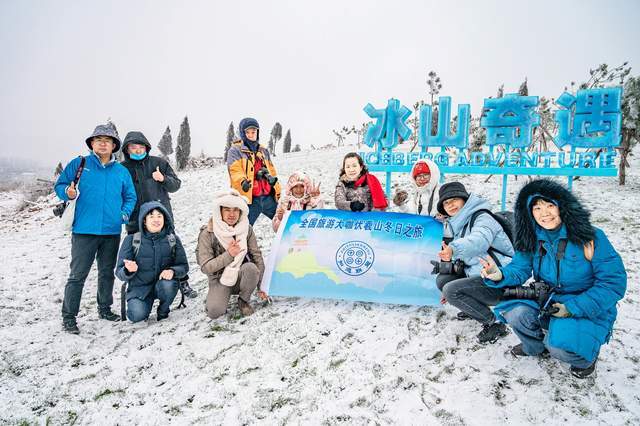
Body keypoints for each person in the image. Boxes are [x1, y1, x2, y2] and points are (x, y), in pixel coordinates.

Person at [481, 179, 626, 378]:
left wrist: (572, 308)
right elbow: (519, 268)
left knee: (558, 347)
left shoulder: (590, 236)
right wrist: (500, 275)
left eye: (550, 205)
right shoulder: (531, 237)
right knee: (515, 313)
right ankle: (535, 347)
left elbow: (613, 283)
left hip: (584, 303)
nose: (544, 213)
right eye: (537, 207)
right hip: (547, 299)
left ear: (563, 207)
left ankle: (585, 358)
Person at [54, 123, 137, 334]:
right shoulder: (79, 164)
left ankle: (105, 308)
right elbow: (60, 185)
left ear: (114, 146)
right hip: (83, 230)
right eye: (98, 140)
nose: (103, 143)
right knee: (77, 275)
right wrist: (68, 193)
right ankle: (69, 317)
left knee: (107, 272)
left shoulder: (121, 171)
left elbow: (130, 196)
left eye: (107, 140)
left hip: (111, 231)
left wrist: (124, 214)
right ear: (92, 143)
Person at [435, 182, 514, 344]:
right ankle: (472, 307)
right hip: (479, 273)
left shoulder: (482, 217)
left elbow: (479, 240)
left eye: (454, 199)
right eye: (446, 203)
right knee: (443, 280)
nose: (450, 205)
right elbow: (462, 261)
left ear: (465, 200)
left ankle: (494, 323)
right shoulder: (457, 223)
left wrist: (453, 249)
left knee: (452, 290)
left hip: (500, 278)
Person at [196, 189, 267, 319]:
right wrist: (229, 254)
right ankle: (219, 295)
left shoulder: (246, 228)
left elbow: (257, 256)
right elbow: (206, 267)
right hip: (219, 278)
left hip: (241, 274)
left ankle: (243, 300)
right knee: (215, 312)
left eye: (235, 210)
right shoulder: (208, 233)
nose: (231, 214)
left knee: (251, 268)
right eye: (227, 210)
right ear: (220, 212)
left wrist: (263, 286)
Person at [115, 202, 189, 322]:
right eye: (151, 216)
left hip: (163, 285)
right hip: (140, 289)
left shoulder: (172, 240)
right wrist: (128, 270)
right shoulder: (132, 240)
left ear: (165, 219)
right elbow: (119, 272)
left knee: (168, 285)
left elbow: (184, 267)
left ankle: (163, 310)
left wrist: (172, 271)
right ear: (144, 220)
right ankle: (142, 306)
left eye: (159, 216)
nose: (156, 220)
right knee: (137, 315)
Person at [120, 131, 181, 235]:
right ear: (127, 149)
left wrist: (163, 179)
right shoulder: (122, 169)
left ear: (146, 148)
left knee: (167, 249)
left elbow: (176, 185)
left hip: (161, 219)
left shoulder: (159, 163)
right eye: (134, 147)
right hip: (135, 223)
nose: (138, 150)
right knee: (138, 249)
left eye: (141, 147)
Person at [226, 118, 281, 225]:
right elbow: (235, 171)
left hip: (268, 197)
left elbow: (271, 169)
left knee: (282, 222)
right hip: (250, 199)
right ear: (242, 133)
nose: (251, 135)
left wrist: (273, 182)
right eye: (248, 132)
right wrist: (242, 182)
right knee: (243, 229)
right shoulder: (235, 150)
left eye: (254, 132)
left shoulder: (263, 150)